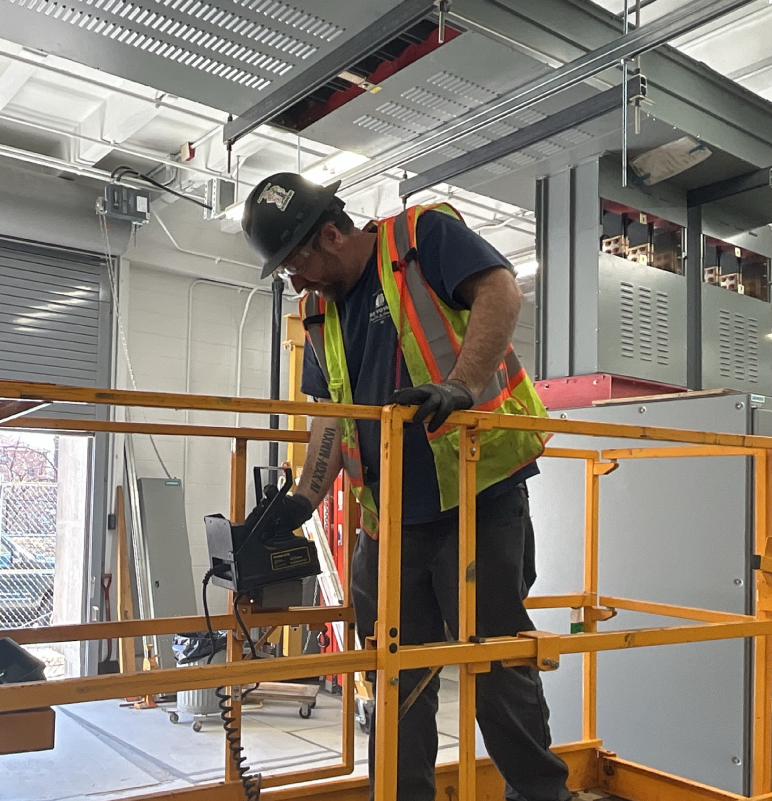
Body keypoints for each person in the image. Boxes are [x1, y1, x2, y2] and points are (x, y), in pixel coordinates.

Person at [239, 172, 568, 801]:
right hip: (386, 521)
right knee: (395, 676)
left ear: (330, 235)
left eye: (295, 264)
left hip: (476, 500)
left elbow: (501, 290)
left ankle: (540, 795)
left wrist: (462, 387)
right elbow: (333, 414)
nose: (295, 281)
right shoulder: (319, 311)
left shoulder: (420, 239)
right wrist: (301, 501)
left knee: (496, 668)